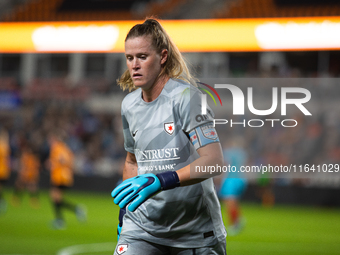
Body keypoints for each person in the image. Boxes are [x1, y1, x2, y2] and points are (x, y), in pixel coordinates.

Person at [111, 18, 227, 255]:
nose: (134, 65)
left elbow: (214, 162)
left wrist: (163, 180)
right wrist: (125, 210)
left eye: (142, 57)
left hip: (194, 233)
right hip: (141, 228)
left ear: (163, 56)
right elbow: (132, 161)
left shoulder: (188, 98)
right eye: (129, 58)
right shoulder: (129, 105)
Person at [48, 131, 86, 229]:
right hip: (65, 177)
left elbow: (62, 160)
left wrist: (53, 163)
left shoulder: (57, 148)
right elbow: (70, 161)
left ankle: (61, 220)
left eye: (51, 139)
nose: (50, 142)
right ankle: (73, 212)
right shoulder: (66, 148)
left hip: (59, 177)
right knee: (56, 198)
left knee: (55, 198)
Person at [218, 137, 248, 236]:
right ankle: (238, 219)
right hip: (241, 179)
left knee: (229, 202)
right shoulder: (243, 153)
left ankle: (235, 224)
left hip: (231, 179)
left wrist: (220, 178)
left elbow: (225, 165)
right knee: (234, 201)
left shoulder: (228, 152)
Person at [12, 142, 41, 208]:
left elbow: (36, 166)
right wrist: (22, 172)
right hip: (25, 173)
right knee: (20, 186)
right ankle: (16, 199)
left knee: (32, 187)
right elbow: (22, 165)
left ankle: (34, 200)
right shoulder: (25, 156)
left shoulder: (34, 157)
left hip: (31, 174)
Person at [0, 128, 10, 214]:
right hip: (4, 171)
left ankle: (2, 203)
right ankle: (2, 202)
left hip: (1, 171)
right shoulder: (6, 147)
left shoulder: (2, 147)